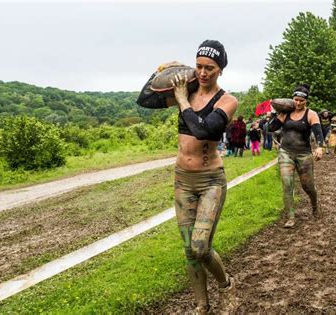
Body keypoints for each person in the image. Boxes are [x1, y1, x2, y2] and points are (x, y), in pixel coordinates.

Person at [136, 39, 238, 314]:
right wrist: (160, 71)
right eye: (199, 66)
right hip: (183, 181)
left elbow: (203, 130)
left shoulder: (227, 101)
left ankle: (227, 285)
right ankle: (202, 306)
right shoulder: (187, 89)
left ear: (221, 70)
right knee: (188, 249)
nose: (203, 73)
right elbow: (144, 99)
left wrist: (181, 100)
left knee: (201, 246)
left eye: (210, 68)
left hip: (210, 182)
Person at [267, 84, 324, 228]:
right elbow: (271, 128)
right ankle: (290, 217)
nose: (298, 103)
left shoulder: (311, 114)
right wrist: (275, 112)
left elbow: (318, 132)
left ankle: (315, 205)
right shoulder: (285, 113)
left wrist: (319, 147)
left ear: (306, 101)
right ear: (292, 99)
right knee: (287, 184)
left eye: (301, 100)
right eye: (296, 100)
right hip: (286, 153)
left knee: (308, 186)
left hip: (304, 154)